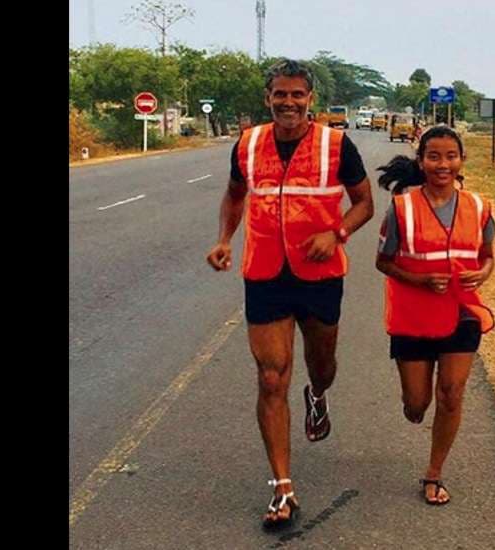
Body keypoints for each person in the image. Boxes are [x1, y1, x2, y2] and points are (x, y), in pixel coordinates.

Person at [206, 59, 374, 529]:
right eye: (280, 94)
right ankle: (282, 488)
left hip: (320, 275)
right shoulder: (248, 143)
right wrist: (224, 238)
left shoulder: (337, 146)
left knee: (323, 366)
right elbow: (235, 193)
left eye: (297, 95)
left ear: (310, 99)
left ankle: (318, 394)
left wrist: (337, 233)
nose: (288, 103)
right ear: (268, 98)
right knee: (270, 377)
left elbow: (364, 203)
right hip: (264, 273)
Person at [375, 126, 495, 505]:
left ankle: (434, 473)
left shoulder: (480, 207)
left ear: (461, 161)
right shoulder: (401, 208)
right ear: (421, 161)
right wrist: (420, 279)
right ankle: (414, 406)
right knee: (417, 404)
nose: (443, 164)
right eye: (434, 157)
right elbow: (382, 262)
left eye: (450, 156)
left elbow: (488, 255)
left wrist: (484, 272)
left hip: (462, 312)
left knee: (451, 394)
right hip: (414, 316)